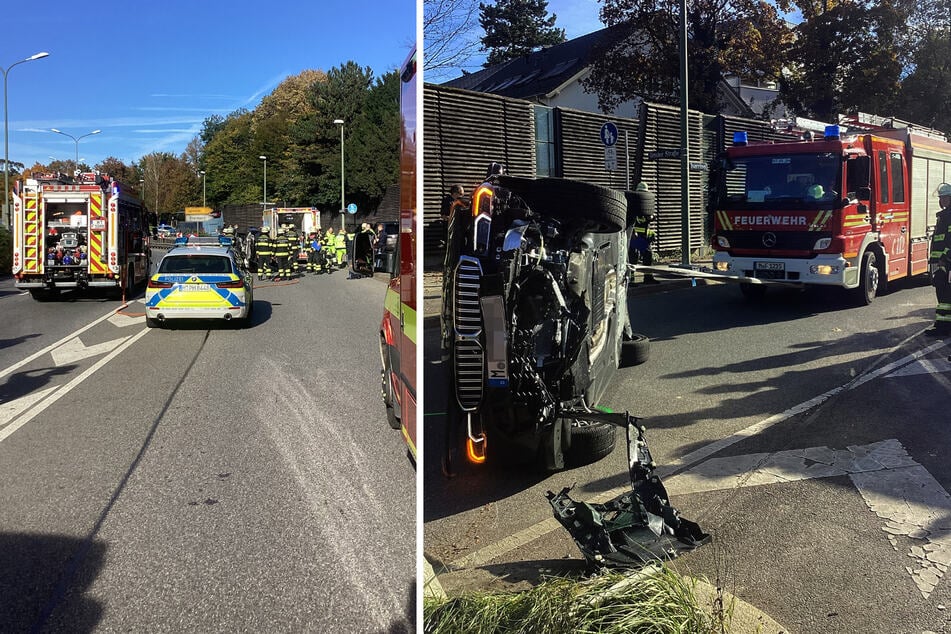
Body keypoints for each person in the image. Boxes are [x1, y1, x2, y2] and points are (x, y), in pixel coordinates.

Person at [926, 183, 951, 336]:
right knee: (942, 294)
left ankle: (944, 327)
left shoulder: (949, 216)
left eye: (944, 197)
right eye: (941, 198)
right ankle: (942, 324)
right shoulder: (944, 215)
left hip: (946, 263)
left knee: (945, 296)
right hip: (940, 262)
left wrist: (945, 258)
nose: (941, 201)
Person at [629, 182, 659, 284]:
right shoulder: (633, 205)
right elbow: (632, 220)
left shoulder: (646, 204)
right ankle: (631, 280)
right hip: (635, 236)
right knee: (634, 257)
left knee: (647, 256)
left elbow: (649, 219)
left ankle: (647, 277)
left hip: (644, 236)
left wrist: (652, 217)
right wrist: (633, 232)